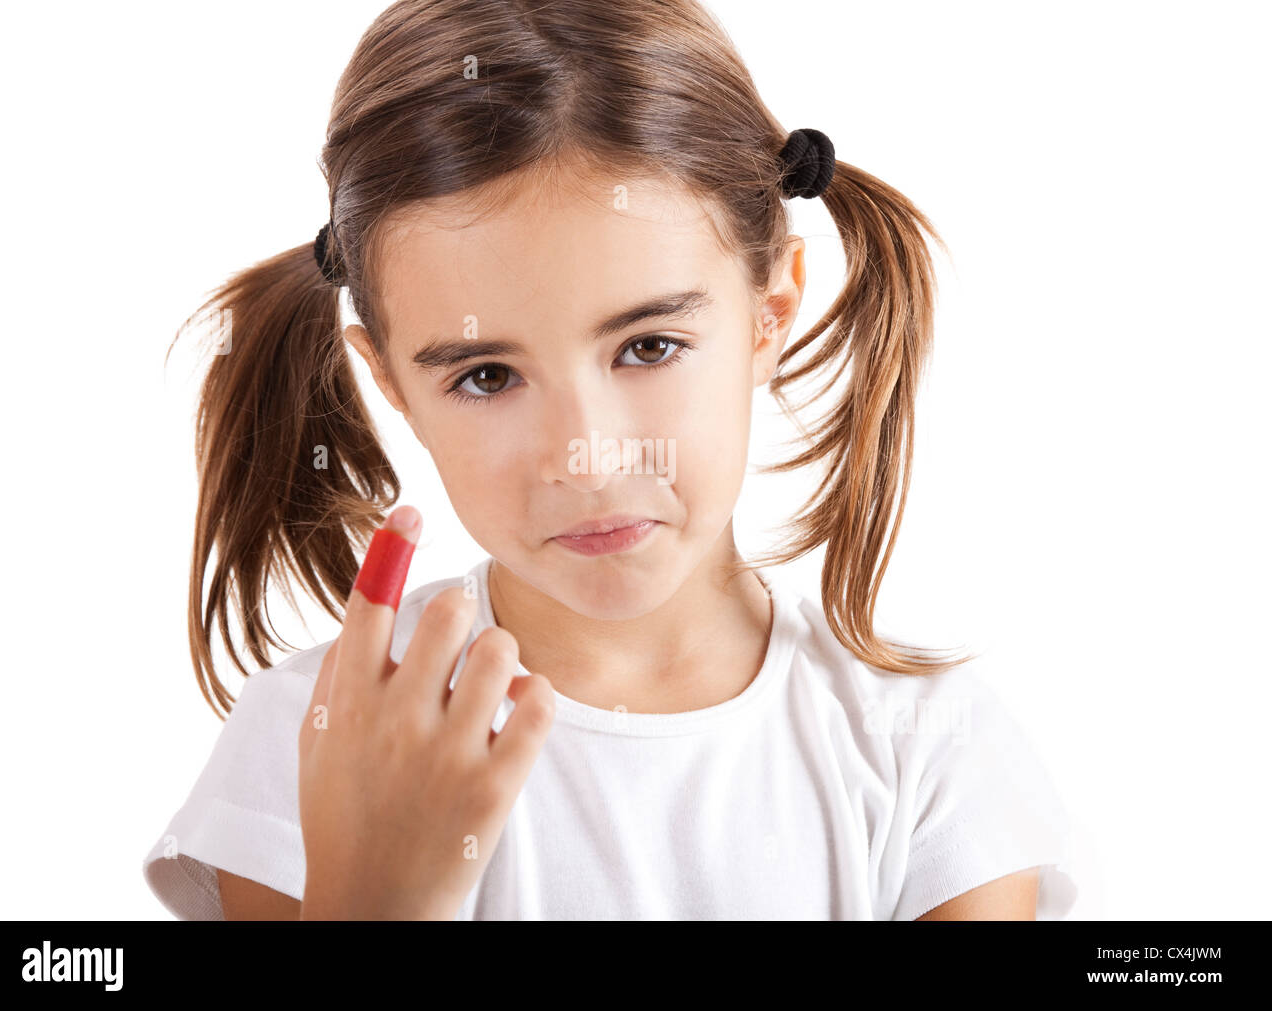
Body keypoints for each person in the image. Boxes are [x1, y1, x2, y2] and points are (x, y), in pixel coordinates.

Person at [143, 0, 1077, 920]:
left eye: (649, 347)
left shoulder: (926, 752)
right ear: (391, 382)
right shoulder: (316, 741)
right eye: (486, 374)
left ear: (771, 313)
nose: (584, 458)